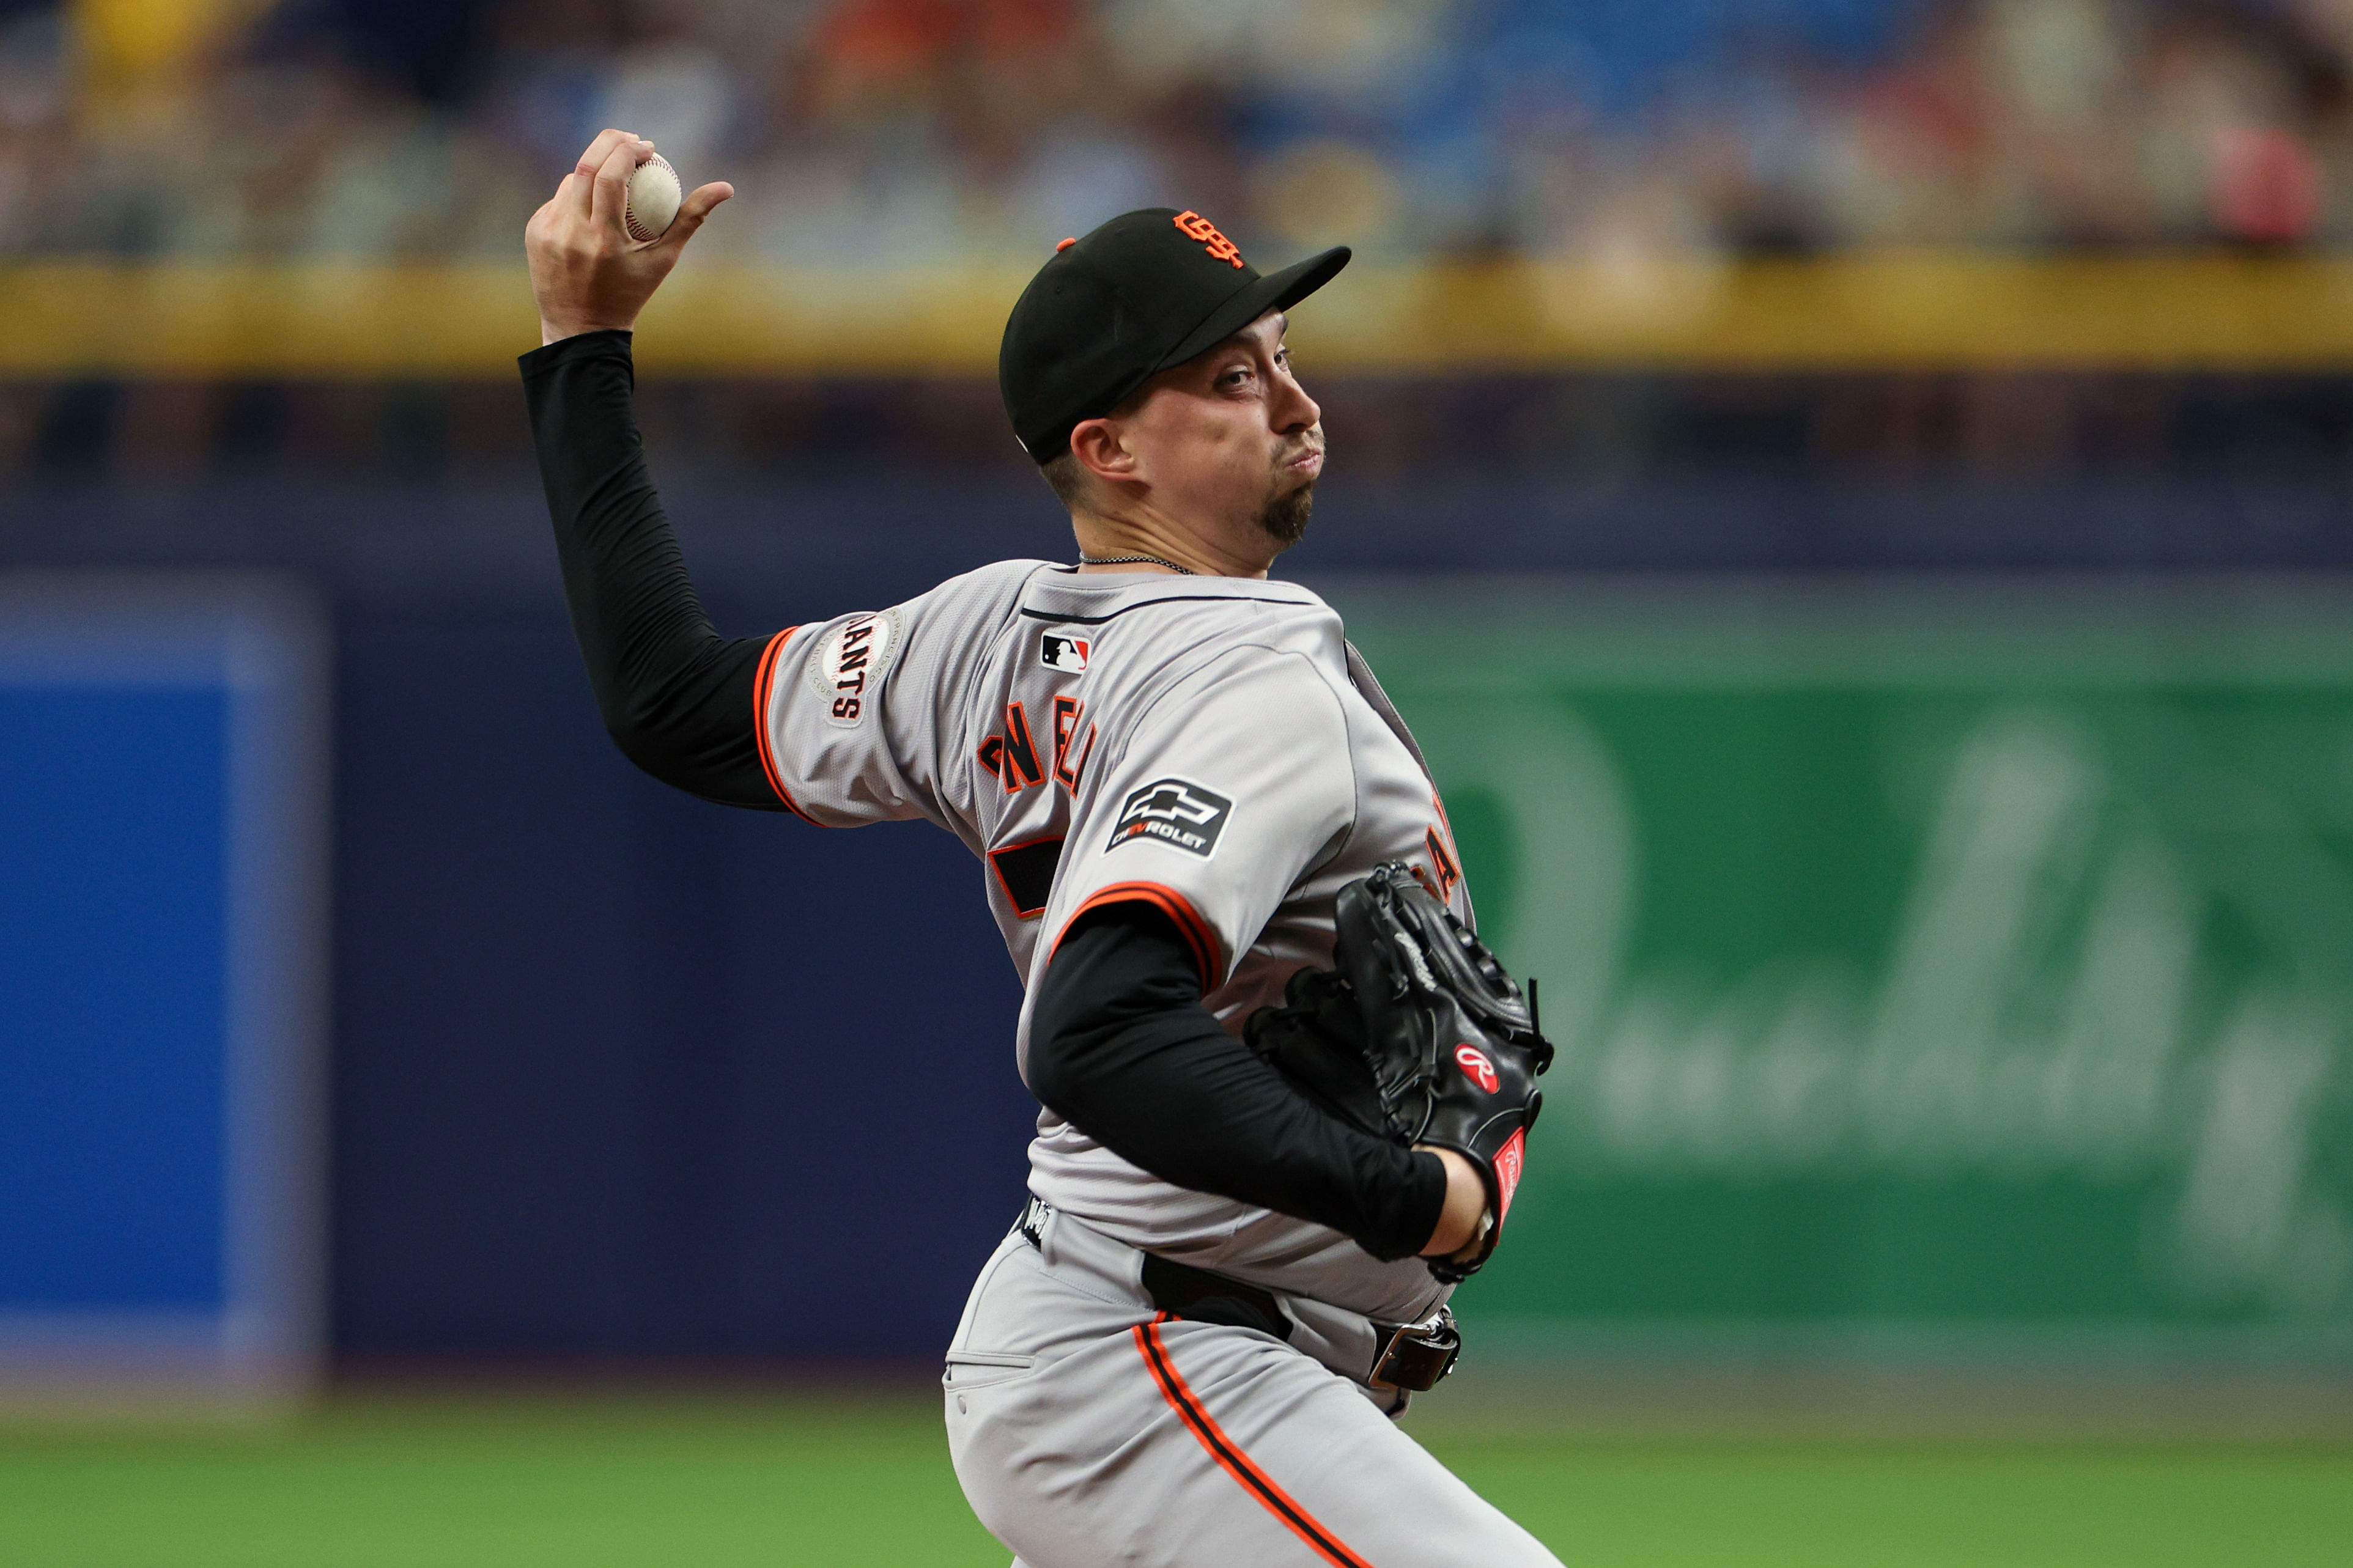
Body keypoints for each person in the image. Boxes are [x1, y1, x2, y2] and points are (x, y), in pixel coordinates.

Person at [522, 128, 1564, 1568]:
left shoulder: (980, 631)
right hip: (1155, 1364)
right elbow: (1093, 1030)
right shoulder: (1246, 678)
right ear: (1108, 448)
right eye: (1234, 378)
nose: (1297, 401)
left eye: (1280, 354)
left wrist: (584, 342)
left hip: (1146, 1348)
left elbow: (671, 702)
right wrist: (1420, 1198)